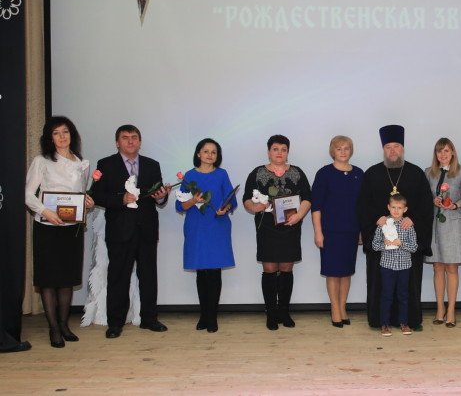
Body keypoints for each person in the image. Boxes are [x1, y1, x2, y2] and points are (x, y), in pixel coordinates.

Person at [92, 124, 172, 339]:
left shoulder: (152, 165)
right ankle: (115, 323)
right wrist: (121, 199)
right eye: (125, 137)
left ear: (140, 142)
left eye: (134, 137)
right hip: (119, 230)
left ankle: (149, 318)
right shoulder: (106, 164)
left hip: (146, 229)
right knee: (118, 276)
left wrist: (161, 197)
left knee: (148, 276)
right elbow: (97, 195)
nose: (130, 141)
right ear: (117, 142)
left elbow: (158, 197)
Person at [24, 116, 95, 347]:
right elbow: (27, 194)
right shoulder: (41, 161)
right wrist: (45, 211)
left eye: (65, 132)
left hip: (71, 229)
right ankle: (53, 328)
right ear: (50, 138)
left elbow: (79, 194)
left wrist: (87, 203)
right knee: (48, 279)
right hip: (47, 228)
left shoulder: (81, 162)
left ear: (72, 135)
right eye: (56, 133)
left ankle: (64, 325)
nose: (62, 137)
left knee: (67, 278)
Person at [357, 125, 433, 329]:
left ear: (403, 148)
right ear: (383, 149)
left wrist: (413, 219)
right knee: (381, 285)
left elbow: (426, 205)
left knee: (408, 286)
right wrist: (377, 219)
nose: (392, 151)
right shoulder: (372, 173)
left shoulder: (416, 173)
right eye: (388, 147)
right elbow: (363, 205)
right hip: (381, 245)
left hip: (407, 243)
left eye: (396, 146)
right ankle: (380, 321)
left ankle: (409, 320)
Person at [242, 135, 312, 330]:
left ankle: (284, 311)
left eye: (283, 149)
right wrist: (255, 207)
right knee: (270, 269)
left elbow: (308, 197)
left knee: (287, 268)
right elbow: (246, 199)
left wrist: (299, 215)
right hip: (267, 228)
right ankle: (271, 313)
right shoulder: (257, 173)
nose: (279, 153)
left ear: (288, 152)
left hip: (290, 226)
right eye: (275, 149)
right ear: (268, 152)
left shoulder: (297, 172)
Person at [175, 138, 237, 333]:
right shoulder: (189, 176)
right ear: (198, 154)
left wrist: (225, 208)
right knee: (202, 273)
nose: (210, 155)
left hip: (217, 226)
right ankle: (203, 315)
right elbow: (180, 205)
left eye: (214, 152)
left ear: (217, 156)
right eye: (206, 151)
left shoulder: (222, 174)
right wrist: (193, 200)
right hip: (197, 228)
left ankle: (212, 317)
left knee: (214, 272)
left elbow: (232, 200)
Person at [311, 135, 364, 328]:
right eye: (339, 148)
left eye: (346, 148)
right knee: (333, 272)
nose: (343, 152)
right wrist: (318, 232)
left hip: (351, 231)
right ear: (332, 151)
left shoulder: (359, 173)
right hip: (330, 232)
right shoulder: (324, 173)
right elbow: (316, 206)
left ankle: (343, 308)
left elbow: (362, 206)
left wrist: (361, 231)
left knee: (346, 272)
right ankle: (334, 309)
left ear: (351, 151)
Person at [424, 138, 461, 328]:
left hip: (453, 224)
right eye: (439, 151)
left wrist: (455, 205)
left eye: (446, 151)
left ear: (452, 152)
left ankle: (451, 309)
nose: (442, 155)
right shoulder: (428, 172)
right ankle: (439, 309)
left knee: (451, 268)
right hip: (435, 225)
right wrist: (432, 201)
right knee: (437, 267)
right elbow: (423, 196)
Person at [373, 194, 419, 336]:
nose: (396, 210)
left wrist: (401, 243)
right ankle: (385, 324)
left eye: (399, 208)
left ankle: (404, 323)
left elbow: (414, 247)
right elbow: (374, 245)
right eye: (393, 207)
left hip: (404, 267)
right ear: (388, 207)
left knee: (403, 296)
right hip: (387, 266)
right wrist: (384, 244)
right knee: (386, 296)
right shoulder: (383, 224)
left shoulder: (408, 226)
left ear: (405, 209)